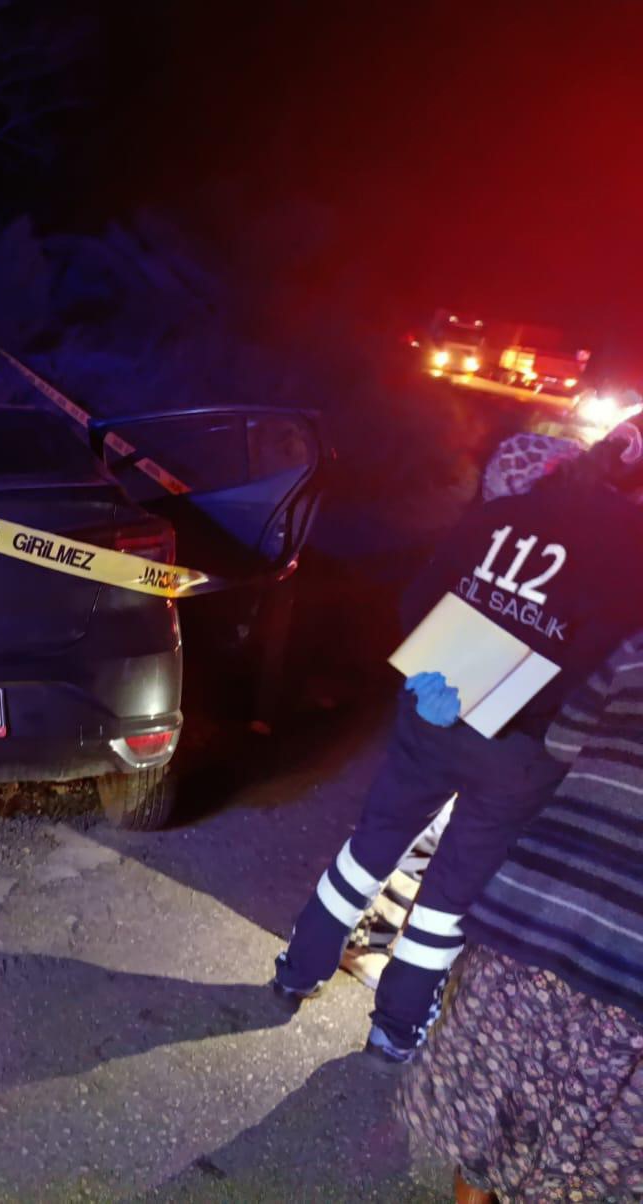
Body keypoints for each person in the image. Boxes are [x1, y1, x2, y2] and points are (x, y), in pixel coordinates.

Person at [271, 419, 643, 1066]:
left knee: (368, 848)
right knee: (451, 893)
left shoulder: (504, 513)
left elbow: (419, 598)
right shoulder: (627, 544)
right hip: (520, 749)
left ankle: (297, 971)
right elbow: (603, 659)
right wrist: (527, 709)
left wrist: (447, 673)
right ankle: (396, 1028)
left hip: (434, 712)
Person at [398, 632, 643, 1203]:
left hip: (535, 921)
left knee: (482, 1126)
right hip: (629, 986)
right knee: (584, 1173)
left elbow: (561, 741)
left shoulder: (632, 651)